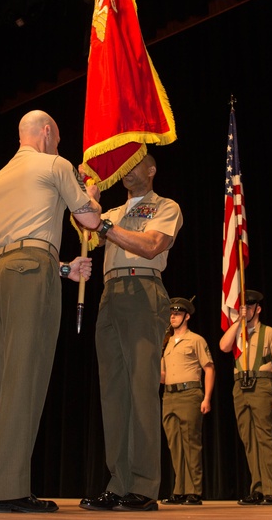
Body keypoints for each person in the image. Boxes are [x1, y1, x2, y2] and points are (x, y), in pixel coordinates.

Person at [0, 110, 101, 513]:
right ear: (46, 133)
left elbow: (13, 232)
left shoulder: (1, 177)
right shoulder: (55, 165)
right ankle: (7, 490)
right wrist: (90, 193)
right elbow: (89, 220)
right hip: (30, 270)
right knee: (23, 378)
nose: (59, 145)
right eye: (57, 138)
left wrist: (64, 267)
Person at [79, 154, 184, 513]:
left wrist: (103, 226)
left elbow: (152, 245)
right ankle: (118, 484)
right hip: (110, 294)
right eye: (122, 165)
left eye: (133, 163)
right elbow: (84, 232)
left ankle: (142, 486)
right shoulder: (110, 212)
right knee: (114, 393)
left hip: (143, 291)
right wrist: (87, 196)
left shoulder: (165, 206)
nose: (125, 170)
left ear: (152, 169)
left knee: (141, 390)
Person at [218, 289, 272, 506]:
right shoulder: (238, 334)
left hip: (262, 383)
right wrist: (238, 322)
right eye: (241, 307)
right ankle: (256, 488)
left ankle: (271, 490)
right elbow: (223, 346)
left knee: (265, 438)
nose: (245, 310)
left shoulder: (270, 333)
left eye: (249, 307)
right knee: (249, 440)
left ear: (258, 308)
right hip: (240, 386)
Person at [158, 297, 214, 506]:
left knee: (191, 444)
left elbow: (209, 368)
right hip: (169, 396)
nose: (173, 317)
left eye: (177, 313)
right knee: (175, 445)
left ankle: (193, 491)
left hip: (190, 394)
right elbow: (163, 376)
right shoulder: (166, 342)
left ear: (187, 316)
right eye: (171, 313)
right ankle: (179, 490)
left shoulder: (196, 340)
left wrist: (207, 397)